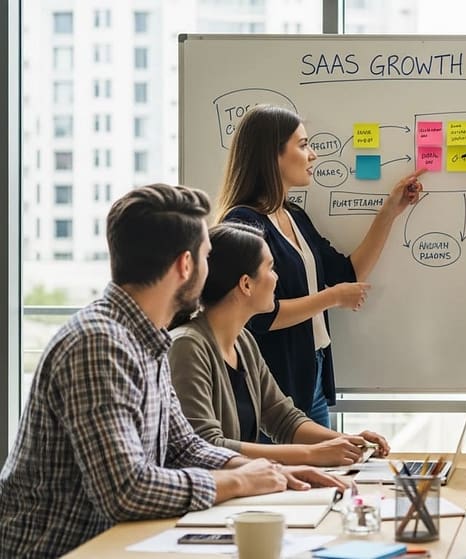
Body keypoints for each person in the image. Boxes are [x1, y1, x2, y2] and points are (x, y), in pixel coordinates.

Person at [0, 184, 345, 558]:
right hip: (63, 551)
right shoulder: (98, 344)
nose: (211, 270)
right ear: (185, 265)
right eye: (207, 257)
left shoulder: (144, 338)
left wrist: (270, 472)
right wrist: (238, 481)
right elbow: (126, 491)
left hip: (116, 544)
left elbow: (184, 446)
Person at [217, 105, 424, 428]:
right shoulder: (243, 223)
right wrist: (333, 298)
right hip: (276, 390)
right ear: (273, 155)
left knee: (324, 474)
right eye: (302, 145)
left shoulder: (294, 215)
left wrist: (390, 211)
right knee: (290, 477)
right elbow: (259, 317)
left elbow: (347, 273)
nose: (312, 155)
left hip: (312, 375)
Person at [169, 222, 391, 465]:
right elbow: (206, 445)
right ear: (246, 284)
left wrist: (346, 441)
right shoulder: (186, 347)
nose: (277, 278)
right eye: (271, 268)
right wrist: (311, 454)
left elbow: (281, 417)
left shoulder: (243, 341)